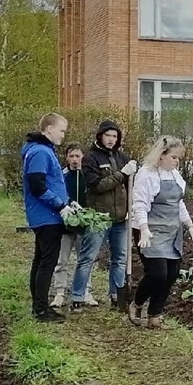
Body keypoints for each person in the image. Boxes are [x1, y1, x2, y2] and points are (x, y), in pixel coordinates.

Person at [128, 136, 193, 329]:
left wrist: (189, 224)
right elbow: (140, 204)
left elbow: (178, 203)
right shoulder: (146, 174)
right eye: (174, 157)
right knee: (157, 273)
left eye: (179, 158)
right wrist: (143, 228)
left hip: (171, 231)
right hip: (150, 230)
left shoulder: (175, 176)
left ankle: (155, 316)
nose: (177, 162)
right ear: (161, 156)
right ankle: (137, 303)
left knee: (171, 274)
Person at [71, 120, 136, 310]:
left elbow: (129, 187)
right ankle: (78, 296)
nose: (111, 139)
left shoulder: (122, 157)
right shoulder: (90, 159)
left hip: (120, 219)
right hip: (99, 218)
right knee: (88, 257)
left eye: (115, 136)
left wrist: (129, 208)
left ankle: (117, 297)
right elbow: (98, 186)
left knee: (119, 259)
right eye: (108, 135)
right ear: (100, 136)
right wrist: (122, 174)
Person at [22, 113, 74, 323]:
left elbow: (51, 184)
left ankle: (38, 305)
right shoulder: (41, 152)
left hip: (46, 215)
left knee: (40, 260)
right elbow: (38, 186)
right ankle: (41, 310)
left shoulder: (41, 150)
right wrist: (60, 205)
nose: (63, 135)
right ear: (50, 129)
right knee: (47, 263)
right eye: (61, 130)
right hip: (47, 216)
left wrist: (68, 202)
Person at [49, 144, 97, 310]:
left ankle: (86, 291)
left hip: (83, 225)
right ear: (67, 158)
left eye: (78, 156)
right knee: (62, 260)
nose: (75, 160)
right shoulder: (62, 176)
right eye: (72, 156)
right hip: (65, 226)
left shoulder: (88, 176)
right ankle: (60, 292)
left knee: (84, 260)